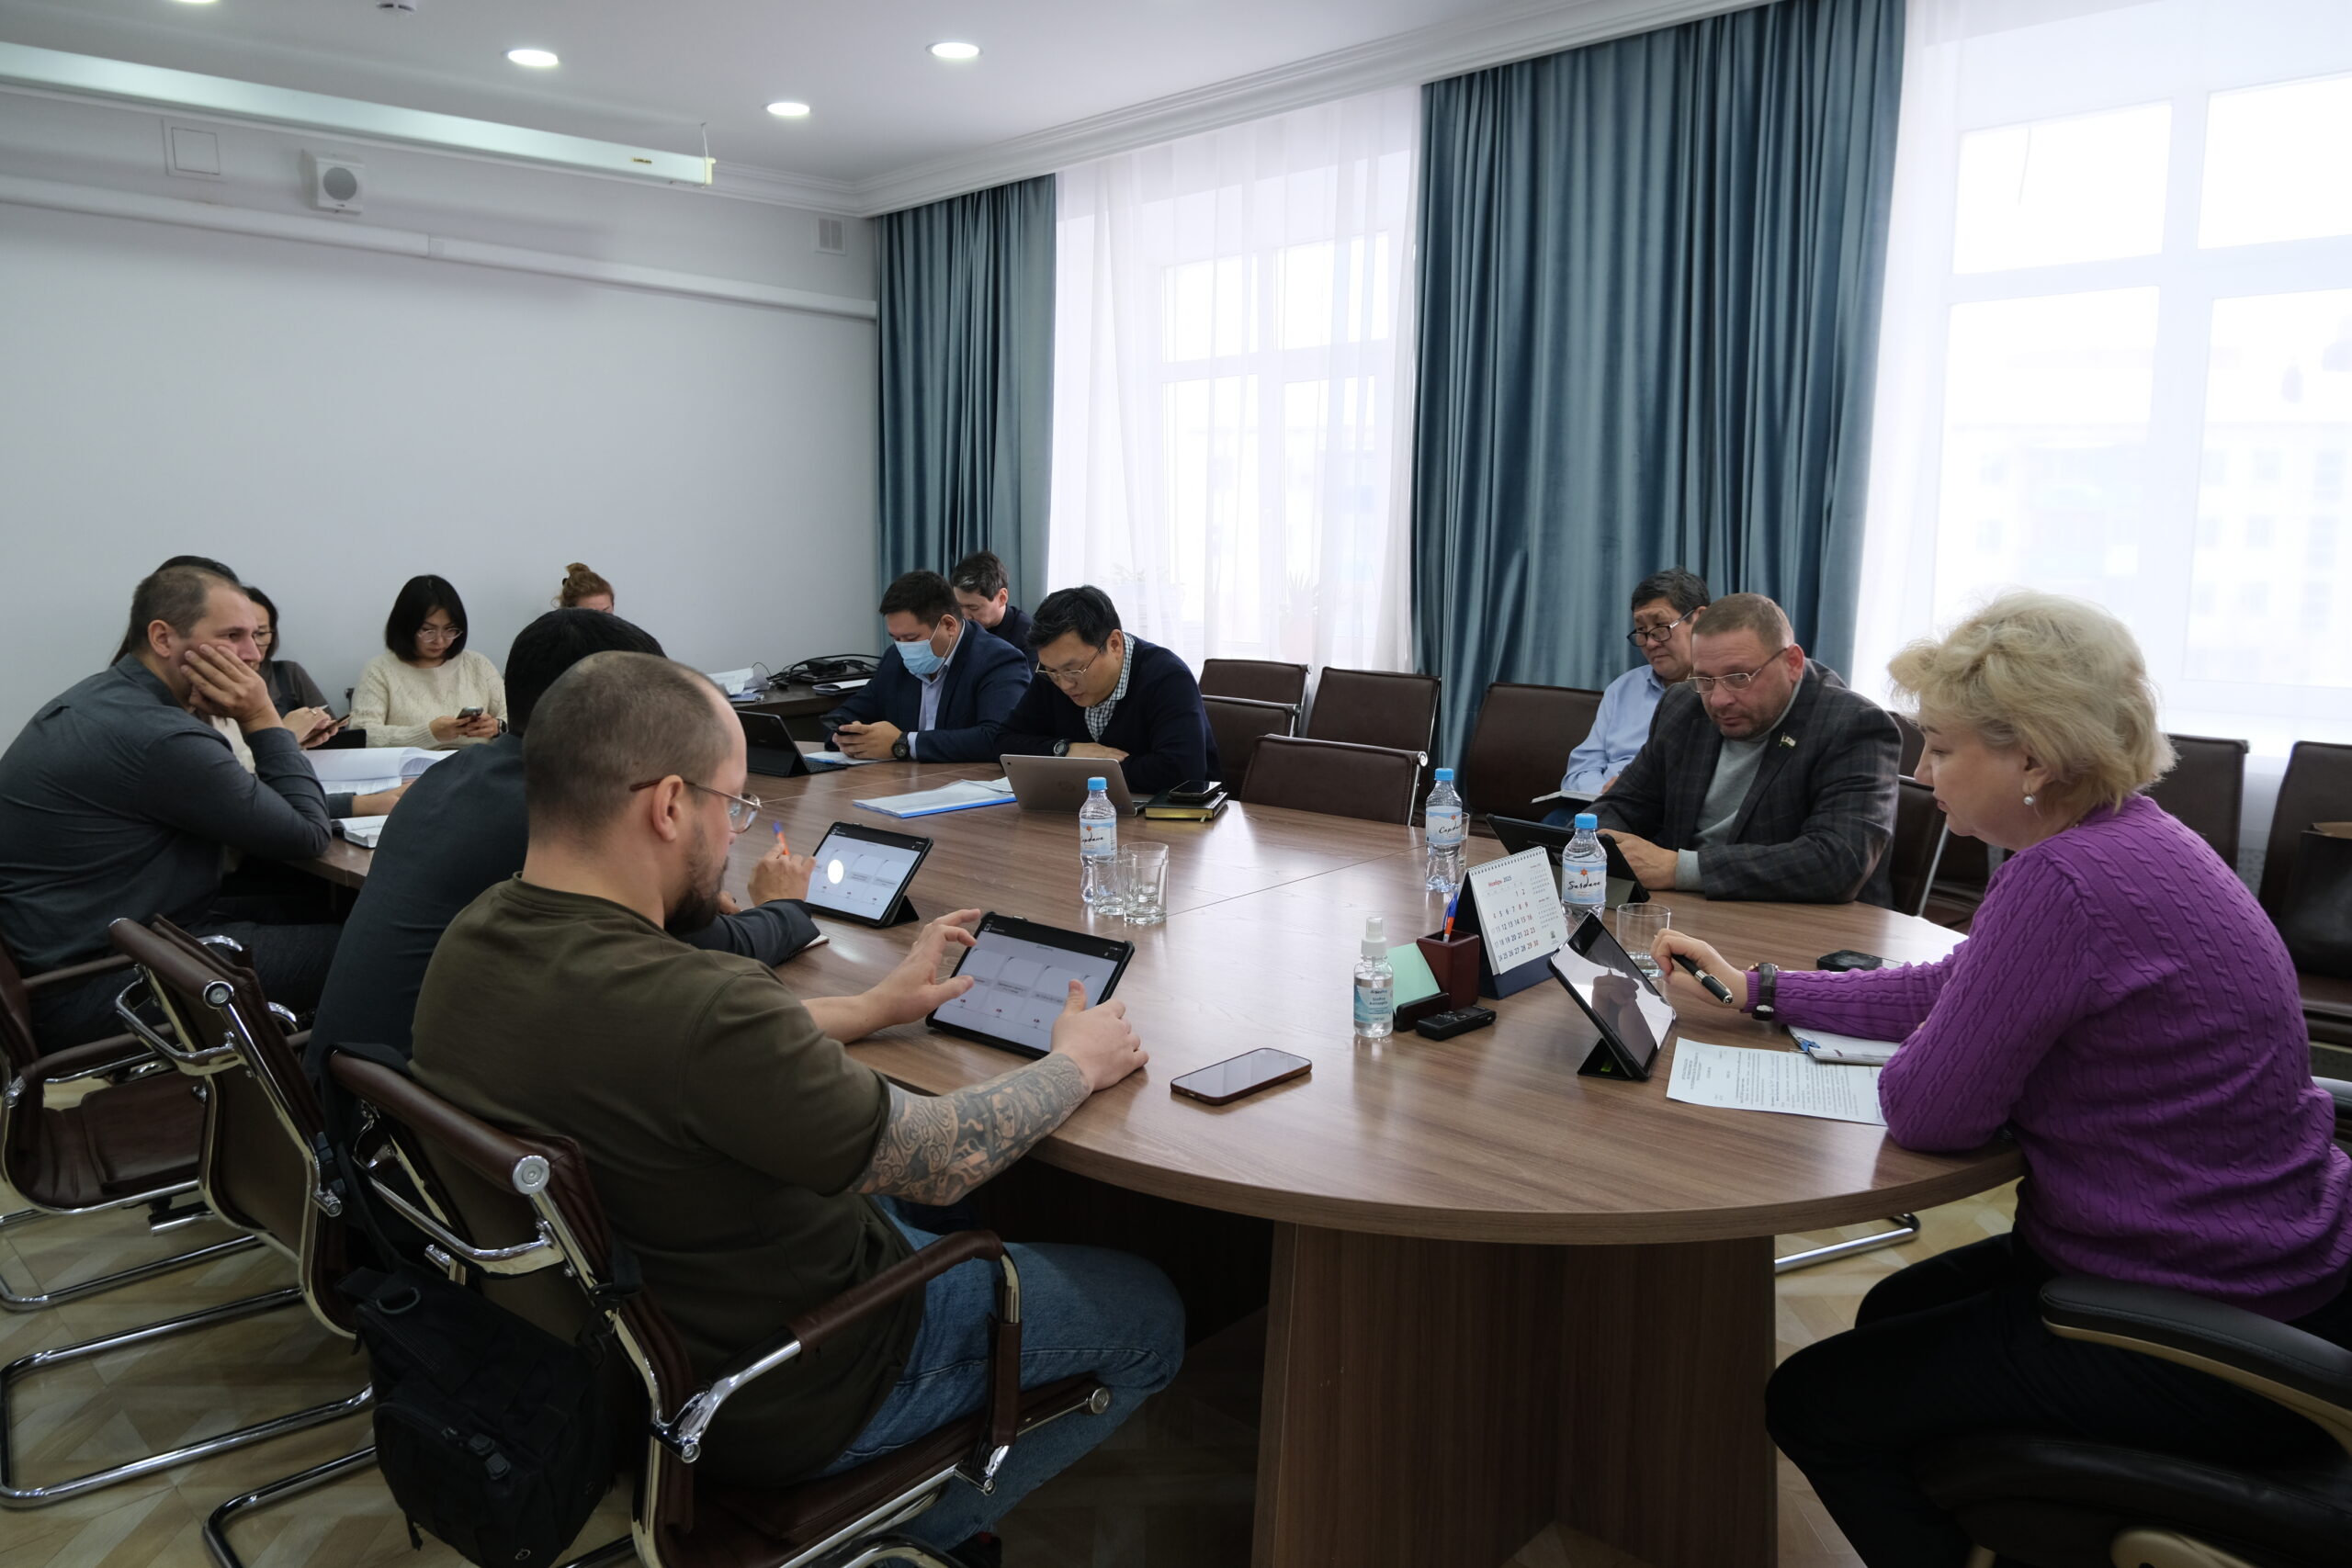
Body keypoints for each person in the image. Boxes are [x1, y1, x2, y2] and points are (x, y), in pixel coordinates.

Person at [408, 651, 1183, 1552]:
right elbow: (940, 1158)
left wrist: (872, 1006)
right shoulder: (701, 1004)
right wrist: (1077, 1063)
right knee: (1152, 1310)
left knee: (930, 1213)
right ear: (668, 806)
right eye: (732, 804)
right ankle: (887, 1540)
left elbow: (666, 1060)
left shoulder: (470, 943)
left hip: (613, 1359)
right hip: (799, 1380)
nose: (735, 832)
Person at [1650, 592, 2352, 1568]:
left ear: (2032, 758)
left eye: (1941, 747)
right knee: (1894, 1313)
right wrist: (1764, 990)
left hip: (2204, 1323)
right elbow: (1954, 986)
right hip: (2283, 1272)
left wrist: (1942, 1044)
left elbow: (1929, 1111)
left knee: (1814, 1403)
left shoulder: (2060, 883)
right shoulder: (2137, 838)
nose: (1920, 772)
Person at [309, 609, 821, 1065]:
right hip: (425, 1119)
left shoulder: (450, 774)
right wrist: (785, 906)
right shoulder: (565, 814)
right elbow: (719, 955)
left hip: (354, 1093)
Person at [0, 565, 342, 1045]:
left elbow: (249, 804)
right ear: (163, 638)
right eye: (232, 636)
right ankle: (335, 1083)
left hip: (86, 947)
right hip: (101, 982)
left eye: (254, 636)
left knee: (317, 902)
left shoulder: (106, 698)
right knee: (377, 946)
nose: (252, 654)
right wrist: (263, 717)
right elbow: (307, 834)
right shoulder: (159, 735)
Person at [1591, 592, 1899, 905]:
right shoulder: (1683, 704)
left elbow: (1838, 861)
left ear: (1792, 663)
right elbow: (1620, 805)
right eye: (1704, 679)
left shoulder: (1853, 725)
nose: (1719, 699)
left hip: (1805, 918)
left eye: (1739, 677)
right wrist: (1603, 847)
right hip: (1688, 908)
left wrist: (1677, 868)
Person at [995, 586, 1218, 796]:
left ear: (1114, 644)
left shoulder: (1167, 677)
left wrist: (1089, 768)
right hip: (1086, 810)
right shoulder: (1052, 673)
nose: (1064, 685)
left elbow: (1182, 773)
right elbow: (1004, 742)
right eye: (1052, 671)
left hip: (1176, 816)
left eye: (1074, 670)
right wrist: (1064, 751)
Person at [824, 570, 1030, 761]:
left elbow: (998, 738)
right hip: (902, 780)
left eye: (911, 638)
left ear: (949, 625)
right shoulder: (895, 659)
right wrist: (851, 736)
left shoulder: (999, 660)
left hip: (966, 782)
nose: (903, 647)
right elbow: (846, 716)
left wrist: (903, 743)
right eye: (896, 638)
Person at [1555, 568, 1709, 800]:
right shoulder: (1623, 688)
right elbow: (1580, 770)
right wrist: (1604, 791)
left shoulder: (1721, 690)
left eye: (1661, 627)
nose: (1650, 643)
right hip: (1603, 804)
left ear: (1700, 619)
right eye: (1642, 631)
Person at [351, 574, 506, 750]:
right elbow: (362, 734)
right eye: (428, 630)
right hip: (410, 766)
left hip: (478, 762)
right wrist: (429, 734)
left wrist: (497, 727)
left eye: (450, 630)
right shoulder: (379, 670)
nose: (439, 640)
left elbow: (516, 719)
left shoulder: (477, 664)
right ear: (405, 626)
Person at [244, 585, 345, 749]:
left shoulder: (288, 672)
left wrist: (308, 737)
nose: (251, 647)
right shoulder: (210, 689)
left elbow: (335, 736)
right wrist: (286, 736)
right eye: (235, 635)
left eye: (261, 634)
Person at [950, 549, 1037, 670]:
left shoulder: (1028, 635)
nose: (965, 616)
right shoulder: (954, 626)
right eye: (959, 606)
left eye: (973, 607)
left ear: (1002, 598)